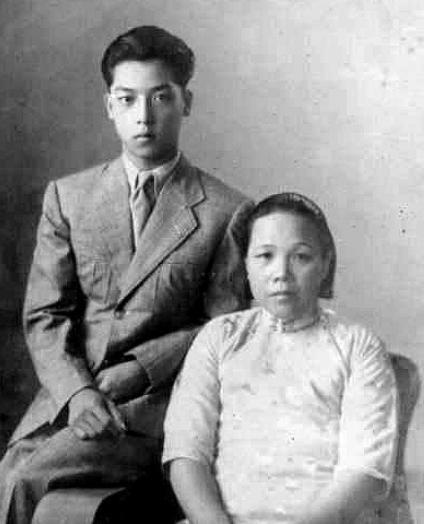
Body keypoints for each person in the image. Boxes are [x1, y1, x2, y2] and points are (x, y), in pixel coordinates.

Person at [0, 25, 252, 524]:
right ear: (109, 106)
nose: (144, 116)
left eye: (161, 97)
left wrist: (141, 368)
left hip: (156, 411)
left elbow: (223, 330)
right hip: (70, 397)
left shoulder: (226, 211)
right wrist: (79, 394)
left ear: (186, 103)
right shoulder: (68, 198)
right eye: (127, 99)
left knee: (28, 478)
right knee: (10, 469)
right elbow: (45, 317)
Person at [163, 192, 399, 524]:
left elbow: (364, 470)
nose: (281, 273)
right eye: (265, 256)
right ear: (246, 264)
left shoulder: (358, 346)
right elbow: (186, 453)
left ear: (325, 264)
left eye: (301, 257)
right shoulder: (220, 337)